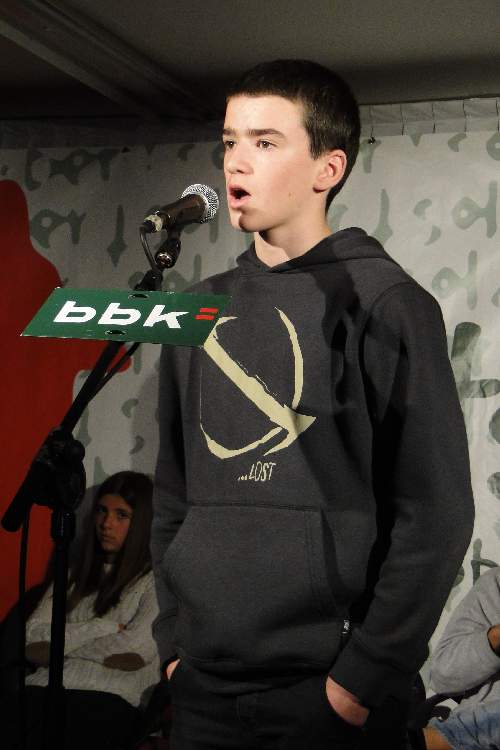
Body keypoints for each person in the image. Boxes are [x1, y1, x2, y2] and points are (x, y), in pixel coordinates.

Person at [151, 59, 475, 749]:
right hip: (203, 688)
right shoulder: (196, 307)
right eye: (230, 141)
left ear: (328, 168)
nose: (237, 161)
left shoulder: (387, 303)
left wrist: (359, 682)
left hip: (325, 692)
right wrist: (174, 646)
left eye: (265, 142)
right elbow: (174, 493)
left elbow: (436, 513)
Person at [2, 470, 160, 750]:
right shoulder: (71, 576)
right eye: (101, 511)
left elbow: (135, 652)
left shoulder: (154, 582)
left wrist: (57, 647)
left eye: (121, 515)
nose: (106, 524)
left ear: (141, 523)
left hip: (107, 699)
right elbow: (32, 642)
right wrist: (103, 628)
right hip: (40, 691)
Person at [419, 566, 500, 749]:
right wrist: (493, 639)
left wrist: (452, 736)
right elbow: (441, 678)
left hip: (458, 736)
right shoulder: (495, 583)